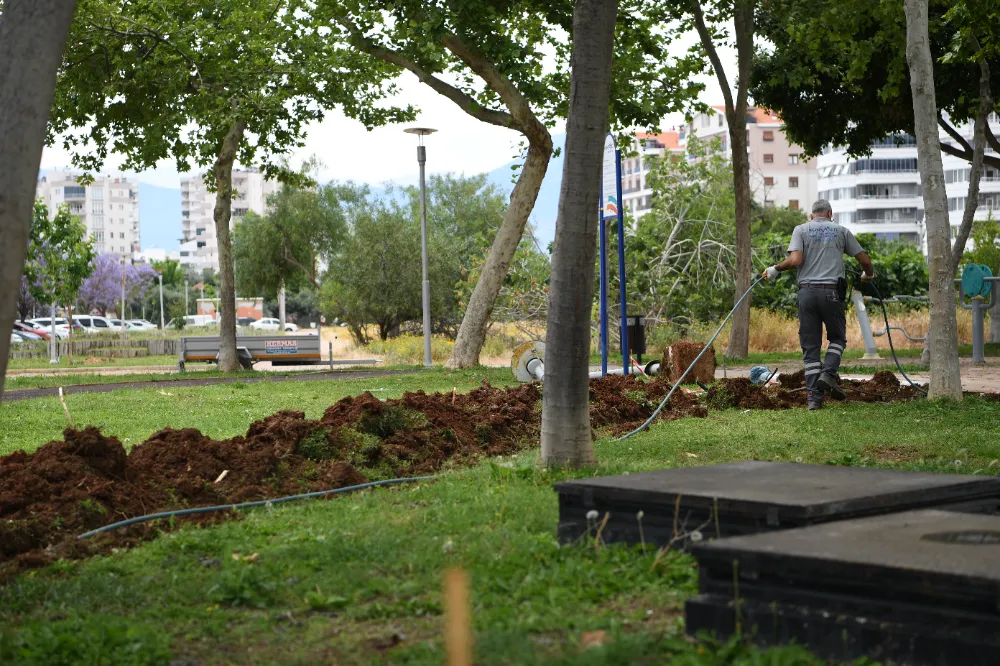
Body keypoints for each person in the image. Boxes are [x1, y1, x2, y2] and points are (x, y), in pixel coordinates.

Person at [763, 199, 874, 410]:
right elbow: (865, 261)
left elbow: (795, 260)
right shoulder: (841, 231)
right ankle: (828, 374)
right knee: (838, 338)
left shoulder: (801, 230)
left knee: (811, 347)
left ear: (811, 215)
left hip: (806, 293)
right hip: (832, 293)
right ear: (830, 213)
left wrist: (775, 269)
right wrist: (867, 275)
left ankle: (814, 399)